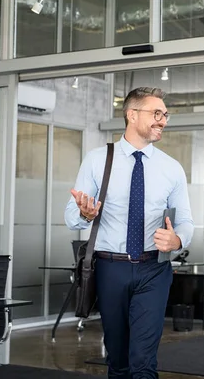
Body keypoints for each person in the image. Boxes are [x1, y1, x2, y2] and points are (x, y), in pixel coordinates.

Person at [65, 87, 194, 379]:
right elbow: (72, 217)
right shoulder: (98, 159)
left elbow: (186, 220)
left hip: (154, 269)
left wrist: (177, 240)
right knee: (118, 358)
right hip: (111, 268)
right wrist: (85, 213)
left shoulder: (171, 168)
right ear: (132, 115)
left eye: (165, 115)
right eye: (156, 113)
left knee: (143, 360)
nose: (162, 120)